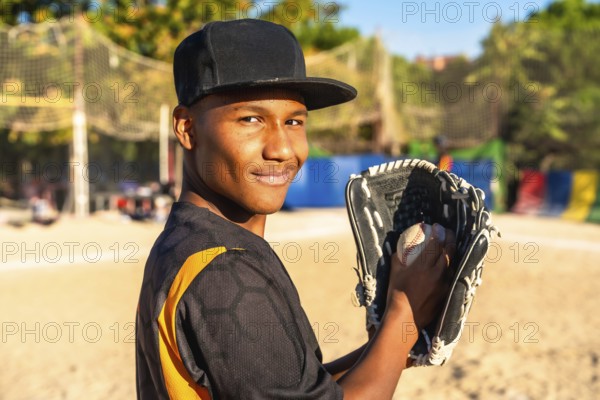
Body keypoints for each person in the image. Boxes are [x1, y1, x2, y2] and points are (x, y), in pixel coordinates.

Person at [135, 19, 455, 399]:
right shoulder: (225, 272)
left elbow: (297, 386)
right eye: (251, 119)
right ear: (187, 128)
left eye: (294, 121)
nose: (283, 149)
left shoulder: (192, 240)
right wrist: (406, 313)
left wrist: (389, 340)